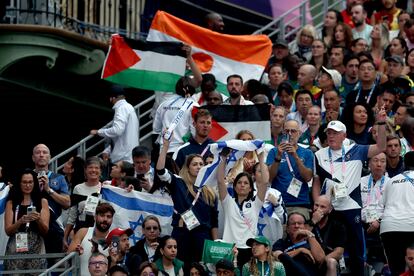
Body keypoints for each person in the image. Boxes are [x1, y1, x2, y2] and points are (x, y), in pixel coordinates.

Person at [313, 113, 387, 276]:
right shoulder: (319, 155)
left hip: (351, 207)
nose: (331, 136)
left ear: (344, 135)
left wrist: (381, 123)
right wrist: (317, 203)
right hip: (330, 209)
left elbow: (381, 146)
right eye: (329, 133)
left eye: (335, 133)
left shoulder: (357, 150)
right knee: (328, 247)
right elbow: (317, 181)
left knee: (356, 249)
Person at [157, 137, 218, 269]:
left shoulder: (210, 191)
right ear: (188, 167)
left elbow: (214, 221)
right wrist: (165, 147)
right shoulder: (178, 182)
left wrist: (215, 241)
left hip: (202, 236)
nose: (198, 167)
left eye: (201, 164)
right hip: (182, 233)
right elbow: (160, 171)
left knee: (201, 270)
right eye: (195, 164)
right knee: (181, 268)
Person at [217, 146, 268, 269]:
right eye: (239, 183)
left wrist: (260, 158)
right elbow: (219, 181)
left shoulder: (256, 203)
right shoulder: (228, 201)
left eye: (246, 183)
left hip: (249, 249)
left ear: (251, 188)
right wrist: (223, 158)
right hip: (230, 248)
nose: (242, 185)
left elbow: (264, 182)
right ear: (234, 187)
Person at [4, 169, 50, 273]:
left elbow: (45, 231)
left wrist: (38, 220)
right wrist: (20, 221)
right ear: (19, 183)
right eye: (24, 182)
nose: (27, 185)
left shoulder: (42, 202)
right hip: (15, 247)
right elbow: (8, 231)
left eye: (30, 182)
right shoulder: (11, 203)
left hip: (37, 248)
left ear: (34, 183)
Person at [267, 119, 314, 219]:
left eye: (293, 131)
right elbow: (269, 177)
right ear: (283, 133)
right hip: (278, 202)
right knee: (280, 234)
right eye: (287, 131)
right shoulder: (274, 151)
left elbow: (308, 177)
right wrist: (278, 157)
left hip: (300, 203)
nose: (290, 134)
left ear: (299, 133)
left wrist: (295, 156)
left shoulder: (307, 153)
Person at [32, 143, 70, 262]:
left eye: (45, 152)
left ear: (49, 157)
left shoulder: (59, 178)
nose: (41, 155)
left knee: (55, 269)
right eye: (38, 152)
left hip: (54, 231)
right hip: (32, 229)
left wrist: (49, 189)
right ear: (33, 157)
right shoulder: (26, 178)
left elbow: (67, 203)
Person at [380, 151, 414, 276]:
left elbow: (381, 204)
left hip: (390, 227)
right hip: (412, 224)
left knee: (397, 271)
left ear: (404, 164)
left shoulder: (392, 180)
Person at [90, 84, 139, 163]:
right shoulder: (129, 107)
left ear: (112, 98)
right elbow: (122, 136)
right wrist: (108, 150)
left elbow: (117, 130)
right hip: (128, 156)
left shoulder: (121, 108)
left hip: (123, 158)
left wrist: (98, 132)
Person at [64, 156, 104, 250]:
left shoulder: (106, 188)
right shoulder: (78, 188)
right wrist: (65, 237)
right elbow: (72, 215)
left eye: (96, 168)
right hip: (80, 232)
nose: (93, 170)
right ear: (85, 170)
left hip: (100, 232)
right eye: (90, 167)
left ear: (101, 171)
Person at [68, 202, 115, 276]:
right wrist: (76, 252)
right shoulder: (83, 232)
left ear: (112, 219)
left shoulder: (114, 239)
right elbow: (68, 256)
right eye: (102, 215)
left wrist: (112, 259)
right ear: (95, 217)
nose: (105, 219)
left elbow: (115, 270)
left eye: (109, 216)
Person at [307, 195, 346, 276]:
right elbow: (302, 238)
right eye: (316, 205)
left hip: (327, 260)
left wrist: (323, 260)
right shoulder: (307, 223)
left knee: (331, 262)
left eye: (322, 207)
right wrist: (313, 221)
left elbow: (339, 252)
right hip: (310, 259)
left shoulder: (337, 226)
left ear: (330, 210)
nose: (318, 209)